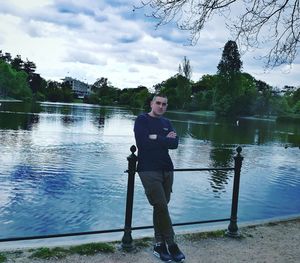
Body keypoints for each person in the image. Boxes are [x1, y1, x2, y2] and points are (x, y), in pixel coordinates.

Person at [134, 94, 185, 262]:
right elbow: (142, 144)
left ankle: (158, 244)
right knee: (161, 205)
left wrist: (156, 137)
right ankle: (171, 244)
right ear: (151, 103)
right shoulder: (142, 120)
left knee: (160, 207)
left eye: (164, 104)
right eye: (158, 103)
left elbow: (175, 144)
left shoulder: (166, 123)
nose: (161, 106)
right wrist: (164, 140)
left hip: (167, 169)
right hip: (148, 169)